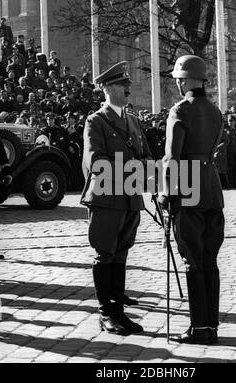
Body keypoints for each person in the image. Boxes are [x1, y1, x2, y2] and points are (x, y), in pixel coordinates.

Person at [158, 55, 225, 345]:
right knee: (210, 260)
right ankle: (211, 326)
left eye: (178, 78)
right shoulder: (215, 111)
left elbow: (173, 158)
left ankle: (198, 329)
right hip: (212, 187)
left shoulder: (179, 111)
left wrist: (164, 193)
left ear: (185, 80)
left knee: (193, 260)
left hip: (188, 189)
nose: (177, 82)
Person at [81, 61, 151, 335]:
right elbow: (96, 159)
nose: (127, 89)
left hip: (130, 196)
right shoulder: (95, 121)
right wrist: (129, 169)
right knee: (105, 253)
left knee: (121, 254)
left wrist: (150, 178)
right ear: (107, 88)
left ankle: (119, 312)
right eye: (122, 85)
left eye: (127, 84)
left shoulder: (132, 120)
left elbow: (144, 154)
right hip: (107, 197)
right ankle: (105, 313)